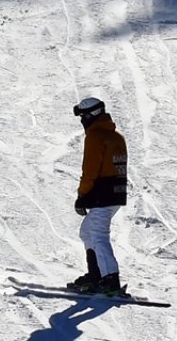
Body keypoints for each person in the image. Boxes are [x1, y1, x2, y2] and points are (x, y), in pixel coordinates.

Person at [65, 97, 129, 296]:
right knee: (87, 231)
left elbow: (90, 169)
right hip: (115, 193)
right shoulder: (116, 136)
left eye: (83, 116)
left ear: (90, 115)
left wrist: (82, 195)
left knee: (98, 235)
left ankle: (110, 279)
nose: (82, 121)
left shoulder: (95, 136)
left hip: (103, 194)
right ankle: (96, 275)